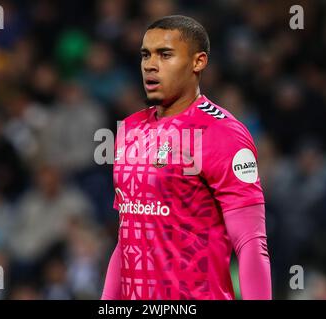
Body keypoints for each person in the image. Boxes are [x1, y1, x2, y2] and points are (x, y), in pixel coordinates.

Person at [101, 15, 271, 300]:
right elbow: (128, 236)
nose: (150, 65)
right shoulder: (128, 130)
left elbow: (251, 243)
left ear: (198, 62)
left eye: (165, 55)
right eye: (146, 55)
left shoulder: (223, 134)